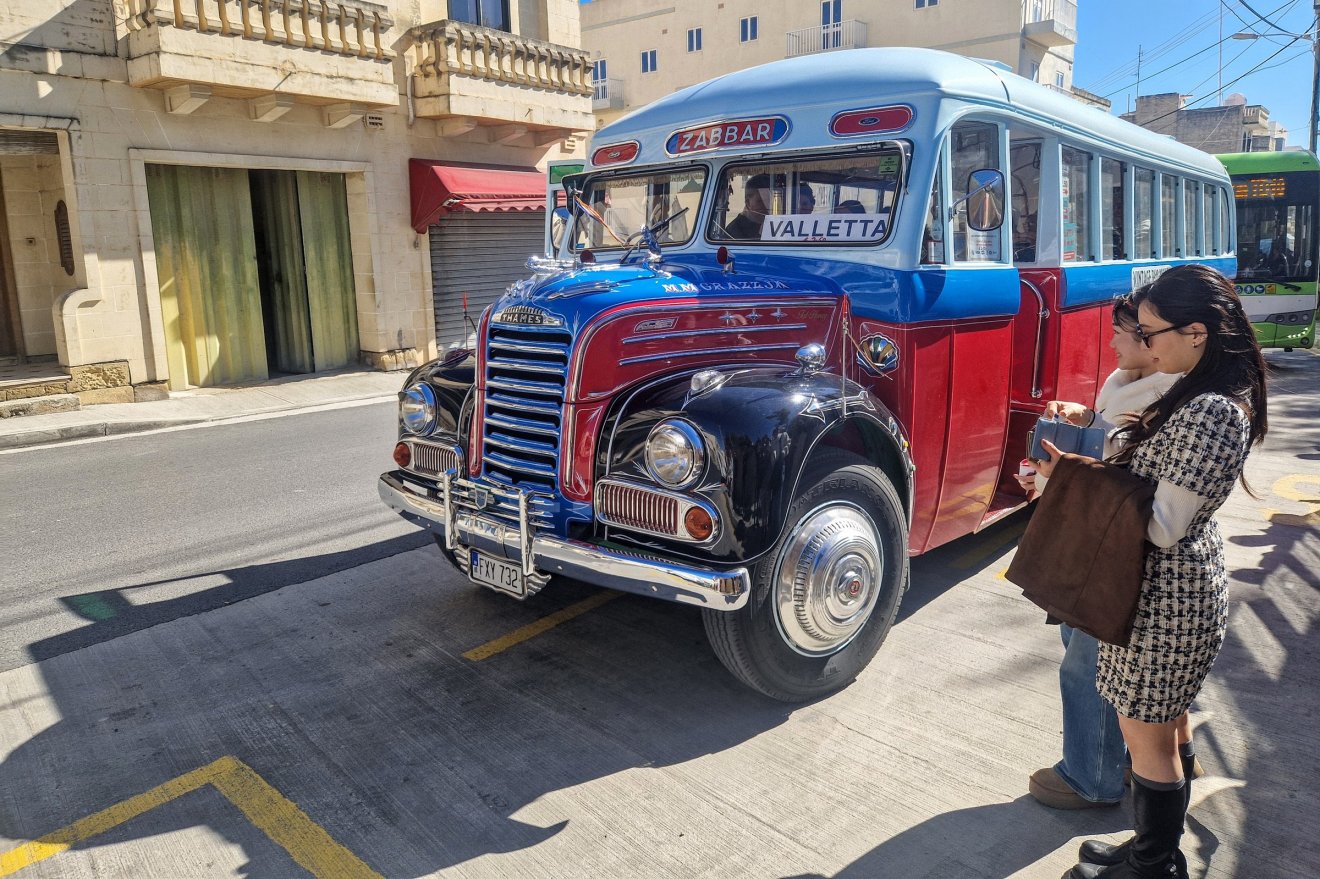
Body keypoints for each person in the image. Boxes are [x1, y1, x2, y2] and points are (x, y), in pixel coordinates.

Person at [1033, 264, 1267, 879]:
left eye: (1150, 330)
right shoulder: (1189, 388)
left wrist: (1071, 479)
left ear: (1196, 333)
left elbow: (1164, 523)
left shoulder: (1212, 410)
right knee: (1164, 727)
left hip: (1165, 599)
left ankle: (1154, 865)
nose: (1141, 340)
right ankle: (1150, 846)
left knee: (1149, 742)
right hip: (1152, 591)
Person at [1019, 292, 1181, 812]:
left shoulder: (1174, 400)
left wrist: (1065, 469)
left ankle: (1090, 777)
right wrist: (1085, 419)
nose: (1110, 340)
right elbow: (1112, 444)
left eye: (1124, 331)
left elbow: (1135, 482)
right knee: (1090, 653)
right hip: (1097, 537)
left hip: (1121, 552)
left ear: (1155, 341)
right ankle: (1147, 759)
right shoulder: (1126, 383)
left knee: (1089, 666)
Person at [726, 174, 773, 239]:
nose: (767, 205)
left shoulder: (775, 224)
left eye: (769, 200)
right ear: (748, 203)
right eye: (760, 201)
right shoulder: (734, 231)